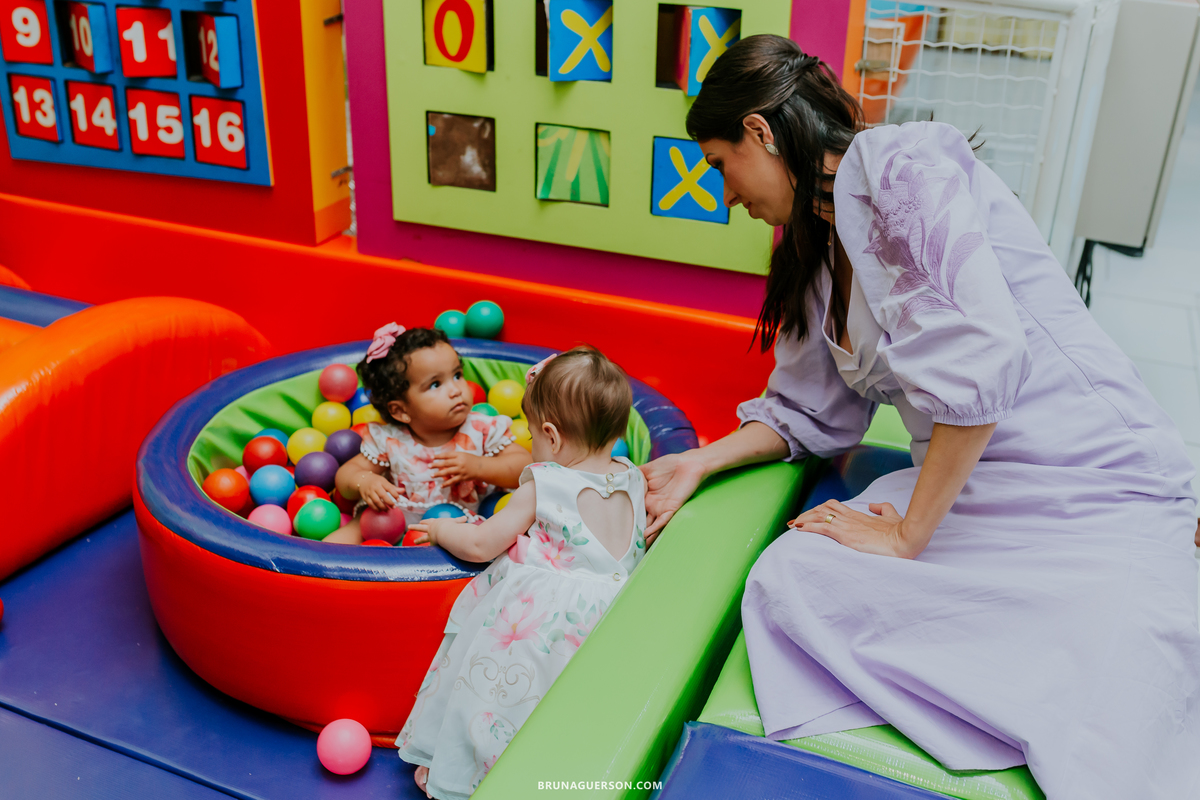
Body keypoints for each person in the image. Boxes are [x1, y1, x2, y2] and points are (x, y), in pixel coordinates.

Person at [640, 34, 1200, 798]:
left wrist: (906, 538)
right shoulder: (815, 248)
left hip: (1080, 470)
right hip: (970, 486)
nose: (726, 194)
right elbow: (811, 413)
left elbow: (983, 358)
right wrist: (699, 459)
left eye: (720, 166)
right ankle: (1034, 659)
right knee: (788, 578)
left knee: (1122, 655)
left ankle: (1085, 657)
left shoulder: (901, 167)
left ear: (761, 134)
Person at [397, 347, 647, 798]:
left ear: (550, 436)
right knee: (561, 714)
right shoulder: (633, 478)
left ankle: (469, 778)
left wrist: (440, 530)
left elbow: (481, 544)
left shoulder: (546, 481)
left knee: (494, 701)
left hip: (545, 627)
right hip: (613, 620)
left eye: (531, 433)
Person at [323, 324, 531, 544]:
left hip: (468, 530)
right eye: (435, 384)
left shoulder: (481, 429)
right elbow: (346, 475)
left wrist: (478, 467)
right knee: (364, 523)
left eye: (457, 375)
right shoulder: (390, 439)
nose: (456, 390)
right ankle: (319, 564)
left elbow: (525, 466)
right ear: (401, 411)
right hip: (397, 521)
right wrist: (364, 481)